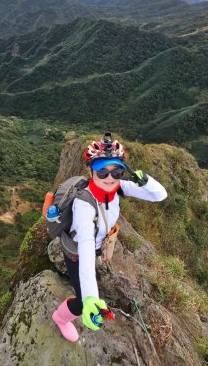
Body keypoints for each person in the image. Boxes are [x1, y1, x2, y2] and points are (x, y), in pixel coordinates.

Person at [52, 133, 168, 342]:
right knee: (80, 300)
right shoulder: (84, 204)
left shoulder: (119, 187)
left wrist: (144, 180)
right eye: (102, 171)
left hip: (98, 245)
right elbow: (86, 246)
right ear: (91, 171)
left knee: (90, 281)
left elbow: (159, 195)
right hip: (77, 252)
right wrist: (90, 299)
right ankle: (60, 318)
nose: (110, 177)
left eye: (117, 171)